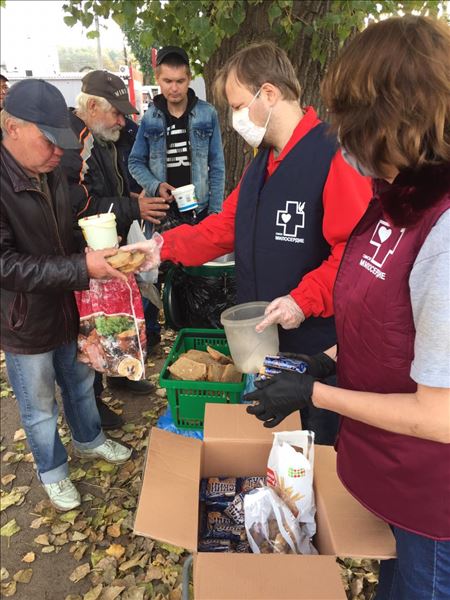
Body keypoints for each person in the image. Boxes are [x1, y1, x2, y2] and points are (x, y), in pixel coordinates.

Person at [245, 16, 450, 599]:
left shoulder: (443, 233)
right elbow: (386, 321)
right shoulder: (397, 199)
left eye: (351, 120)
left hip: (434, 499)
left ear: (393, 118)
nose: (341, 136)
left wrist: (315, 393)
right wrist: (326, 360)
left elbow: (441, 415)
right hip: (394, 477)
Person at [123, 42, 372, 444]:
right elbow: (225, 227)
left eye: (239, 106)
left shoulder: (333, 156)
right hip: (267, 342)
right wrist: (162, 247)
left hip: (318, 351)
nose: (235, 118)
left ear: (268, 93)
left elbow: (354, 256)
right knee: (277, 451)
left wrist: (301, 300)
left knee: (317, 448)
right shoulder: (263, 161)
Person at [0, 79, 132, 512]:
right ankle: (53, 471)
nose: (59, 151)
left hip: (66, 304)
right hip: (24, 320)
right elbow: (6, 265)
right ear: (12, 127)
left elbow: (66, 231)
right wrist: (81, 267)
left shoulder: (51, 171)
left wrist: (96, 249)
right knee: (39, 404)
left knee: (80, 380)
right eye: (49, 140)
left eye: (62, 140)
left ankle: (89, 438)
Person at [60, 70, 158, 428]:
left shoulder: (101, 137)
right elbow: (81, 206)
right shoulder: (75, 142)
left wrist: (131, 199)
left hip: (108, 243)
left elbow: (105, 190)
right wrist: (134, 207)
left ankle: (121, 372)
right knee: (92, 326)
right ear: (91, 107)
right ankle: (93, 401)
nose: (121, 120)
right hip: (85, 251)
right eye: (115, 112)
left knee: (116, 312)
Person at [128, 46, 226, 348]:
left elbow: (217, 165)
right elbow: (135, 162)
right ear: (158, 79)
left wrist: (216, 212)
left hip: (200, 210)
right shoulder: (150, 117)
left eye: (180, 81)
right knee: (154, 272)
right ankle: (152, 339)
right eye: (168, 81)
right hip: (163, 211)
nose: (174, 88)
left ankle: (201, 337)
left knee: (200, 276)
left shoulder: (207, 113)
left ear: (189, 79)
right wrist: (156, 185)